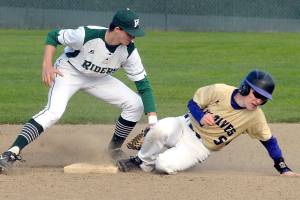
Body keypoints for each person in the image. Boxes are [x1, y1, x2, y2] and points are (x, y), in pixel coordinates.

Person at [0, 8, 158, 173]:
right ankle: (11, 153)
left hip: (98, 78)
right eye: (130, 33)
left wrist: (152, 121)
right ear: (117, 29)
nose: (133, 37)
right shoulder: (85, 35)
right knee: (53, 112)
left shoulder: (129, 51)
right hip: (69, 72)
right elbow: (53, 36)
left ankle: (112, 149)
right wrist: (47, 65)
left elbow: (144, 86)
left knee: (135, 104)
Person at [117, 69, 299, 176]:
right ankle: (142, 160)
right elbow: (192, 103)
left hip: (199, 148)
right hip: (183, 125)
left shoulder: (255, 117)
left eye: (264, 99)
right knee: (159, 129)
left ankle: (161, 152)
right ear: (245, 87)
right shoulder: (220, 90)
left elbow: (269, 140)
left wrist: (282, 167)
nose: (259, 101)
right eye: (257, 95)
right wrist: (200, 116)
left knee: (164, 165)